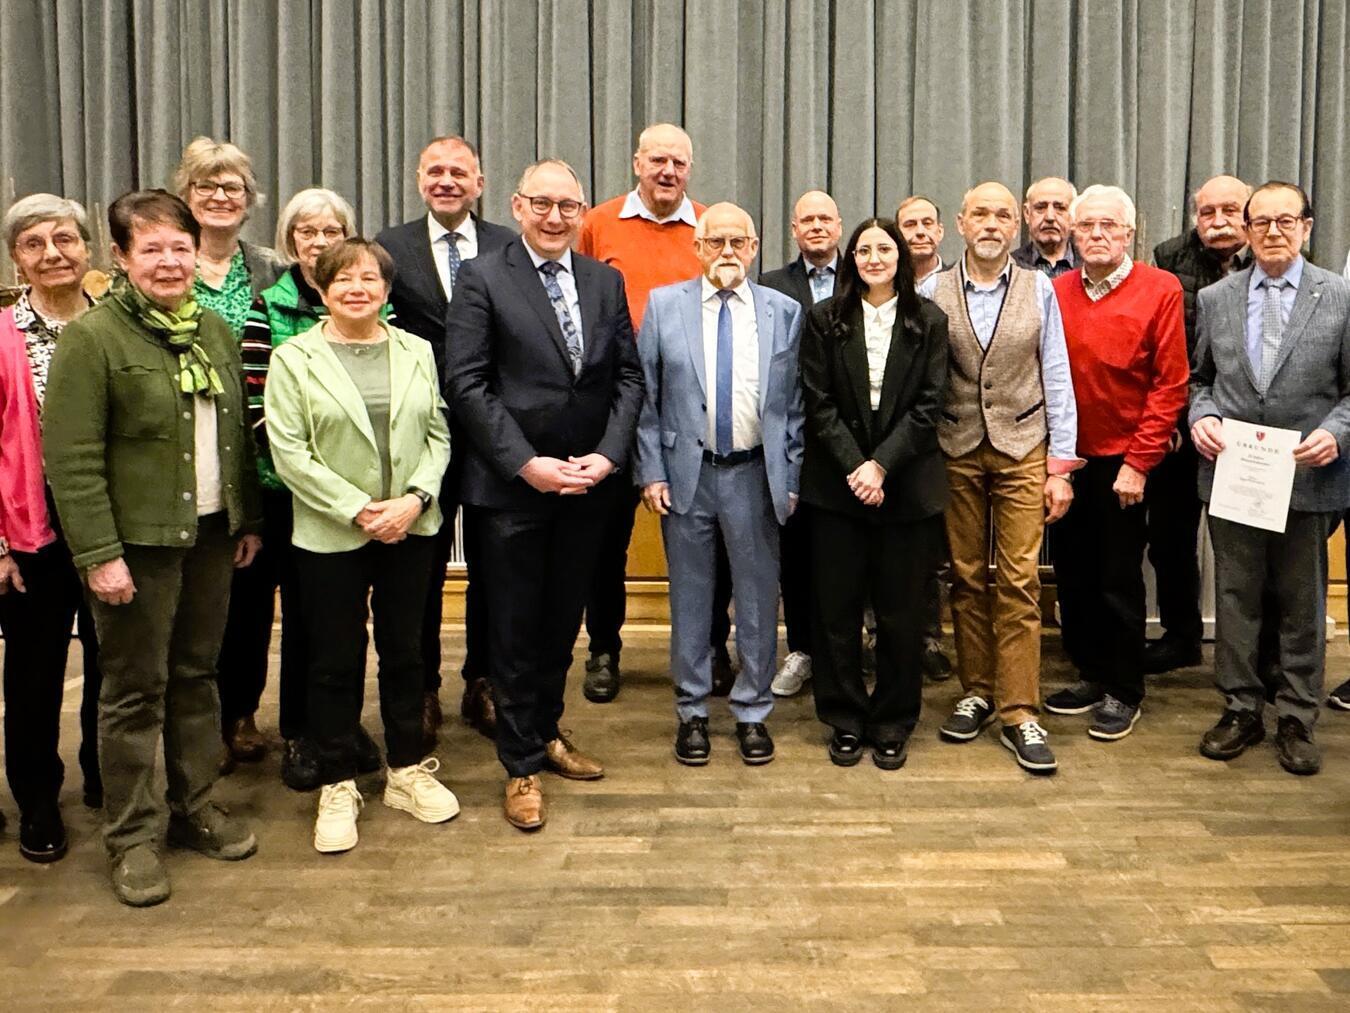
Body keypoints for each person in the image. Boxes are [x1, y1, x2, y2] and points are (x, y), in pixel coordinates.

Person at [43, 189, 263, 907]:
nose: (170, 262)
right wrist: (98, 553)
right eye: (152, 249)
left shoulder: (213, 331)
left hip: (207, 533)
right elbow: (70, 459)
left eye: (180, 247)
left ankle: (194, 802)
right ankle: (132, 834)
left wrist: (243, 518)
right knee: (134, 688)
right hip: (134, 544)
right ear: (120, 257)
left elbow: (234, 437)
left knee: (199, 673)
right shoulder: (94, 338)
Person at [445, 159, 643, 830]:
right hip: (513, 490)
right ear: (517, 206)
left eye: (568, 205)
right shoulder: (482, 278)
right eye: (542, 204)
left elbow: (628, 380)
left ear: (582, 210)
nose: (555, 216)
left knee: (563, 623)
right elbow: (468, 384)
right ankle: (521, 762)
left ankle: (548, 730)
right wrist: (525, 463)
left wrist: (610, 454)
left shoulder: (603, 280)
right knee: (514, 630)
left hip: (587, 485)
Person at [264, 237, 456, 852]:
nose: (357, 288)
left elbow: (439, 433)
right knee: (333, 660)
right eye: (342, 278)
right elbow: (289, 451)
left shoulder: (416, 350)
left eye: (369, 278)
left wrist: (415, 499)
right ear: (321, 289)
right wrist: (358, 509)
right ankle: (338, 780)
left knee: (406, 653)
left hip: (411, 526)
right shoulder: (295, 358)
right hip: (330, 531)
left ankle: (406, 769)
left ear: (385, 288)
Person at [1189, 181, 1350, 776]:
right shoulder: (1217, 298)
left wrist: (1336, 432)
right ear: (1247, 230)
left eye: (1287, 221)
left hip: (1308, 477)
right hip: (1235, 477)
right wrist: (1202, 416)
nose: (1274, 232)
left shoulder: (1339, 296)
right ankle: (1240, 708)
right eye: (1262, 222)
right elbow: (1198, 379)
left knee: (1302, 601)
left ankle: (1297, 715)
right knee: (1235, 598)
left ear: (1307, 227)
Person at [919, 182, 1080, 774]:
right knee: (963, 575)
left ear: (1016, 227)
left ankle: (1018, 710)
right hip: (954, 449)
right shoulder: (928, 288)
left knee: (1017, 579)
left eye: (1002, 215)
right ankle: (976, 691)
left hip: (1022, 449)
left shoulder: (1041, 288)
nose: (991, 224)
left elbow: (1057, 375)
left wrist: (1061, 465)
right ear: (959, 223)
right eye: (980, 214)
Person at [636, 202, 804, 766]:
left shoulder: (784, 311)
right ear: (698, 247)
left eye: (738, 242)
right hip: (689, 474)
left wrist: (793, 473)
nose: (727, 252)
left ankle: (753, 712)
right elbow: (647, 400)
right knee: (690, 600)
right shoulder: (664, 307)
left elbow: (796, 406)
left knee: (758, 601)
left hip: (757, 475)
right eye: (716, 242)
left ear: (755, 248)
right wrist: (651, 469)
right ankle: (692, 712)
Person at [236, 187, 387, 792]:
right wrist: (321, 480)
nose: (319, 243)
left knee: (342, 622)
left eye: (332, 232)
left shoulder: (378, 306)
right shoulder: (262, 307)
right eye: (307, 232)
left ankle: (341, 726)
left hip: (362, 500)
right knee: (295, 619)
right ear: (289, 240)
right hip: (286, 492)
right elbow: (258, 407)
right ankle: (299, 731)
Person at [376, 136, 516, 744]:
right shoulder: (389, 248)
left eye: (460, 171)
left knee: (494, 567)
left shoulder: (510, 247)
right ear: (418, 178)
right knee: (421, 571)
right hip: (419, 435)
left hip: (492, 433)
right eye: (436, 170)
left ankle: (483, 683)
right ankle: (422, 688)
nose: (447, 180)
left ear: (480, 182)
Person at [798, 218, 949, 769]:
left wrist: (881, 466)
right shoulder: (824, 319)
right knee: (835, 612)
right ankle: (843, 717)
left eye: (884, 248)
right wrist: (857, 467)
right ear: (851, 259)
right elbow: (818, 403)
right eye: (863, 249)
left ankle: (892, 719)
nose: (873, 257)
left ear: (901, 257)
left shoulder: (929, 321)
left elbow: (930, 406)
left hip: (906, 489)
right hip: (836, 489)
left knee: (900, 614)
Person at [1044, 185, 1188, 740]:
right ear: (1072, 235)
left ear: (1130, 234)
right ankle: (1090, 673)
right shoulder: (1055, 290)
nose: (1098, 235)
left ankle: (1124, 689)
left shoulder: (1161, 289)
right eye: (1087, 227)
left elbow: (1169, 384)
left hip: (1126, 462)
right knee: (1074, 576)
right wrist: (1054, 463)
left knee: (1118, 578)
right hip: (1068, 458)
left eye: (1109, 226)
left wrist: (1139, 462)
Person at [576, 123, 713, 703]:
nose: (668, 172)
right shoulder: (598, 223)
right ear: (637, 162)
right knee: (606, 538)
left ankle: (711, 647)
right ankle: (604, 648)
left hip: (688, 408)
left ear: (689, 169)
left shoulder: (710, 226)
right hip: (613, 404)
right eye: (658, 160)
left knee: (706, 533)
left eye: (679, 163)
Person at [172, 137, 286, 766]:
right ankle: (189, 722)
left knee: (247, 599)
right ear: (185, 197)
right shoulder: (165, 264)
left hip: (259, 458)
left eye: (232, 188)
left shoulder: (269, 269)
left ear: (249, 201)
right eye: (206, 187)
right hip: (185, 452)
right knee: (189, 605)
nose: (219, 198)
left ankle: (238, 713)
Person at [0, 194, 104, 862]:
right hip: (30, 534)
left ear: (88, 249)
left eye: (64, 239)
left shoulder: (117, 325)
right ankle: (38, 797)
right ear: (17, 259)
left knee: (113, 664)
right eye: (34, 243)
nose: (52, 253)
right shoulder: (1, 334)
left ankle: (105, 773)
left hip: (114, 531)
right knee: (34, 674)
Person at [1147, 174, 1252, 675]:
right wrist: (1172, 417)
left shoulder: (1277, 258)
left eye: (1230, 210)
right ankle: (1180, 635)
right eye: (1208, 212)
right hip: (1181, 426)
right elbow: (1159, 346)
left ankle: (1254, 649)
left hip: (1251, 431)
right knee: (1170, 537)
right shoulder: (1168, 258)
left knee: (1248, 543)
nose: (1219, 221)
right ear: (1195, 216)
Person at [759, 189, 842, 698]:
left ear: (838, 226)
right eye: (806, 219)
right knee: (796, 554)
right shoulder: (770, 286)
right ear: (793, 230)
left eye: (825, 218)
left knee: (844, 554)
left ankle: (843, 651)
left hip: (849, 445)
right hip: (790, 442)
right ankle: (803, 650)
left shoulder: (863, 280)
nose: (816, 226)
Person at [1012, 177, 1080, 277]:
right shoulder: (1011, 266)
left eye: (1060, 208)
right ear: (1027, 214)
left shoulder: (1091, 266)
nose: (1050, 217)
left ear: (1074, 215)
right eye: (1040, 208)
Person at [895, 195, 945, 285]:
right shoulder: (886, 285)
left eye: (927, 223)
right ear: (897, 234)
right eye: (910, 225)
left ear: (940, 232)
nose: (920, 232)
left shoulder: (959, 283)